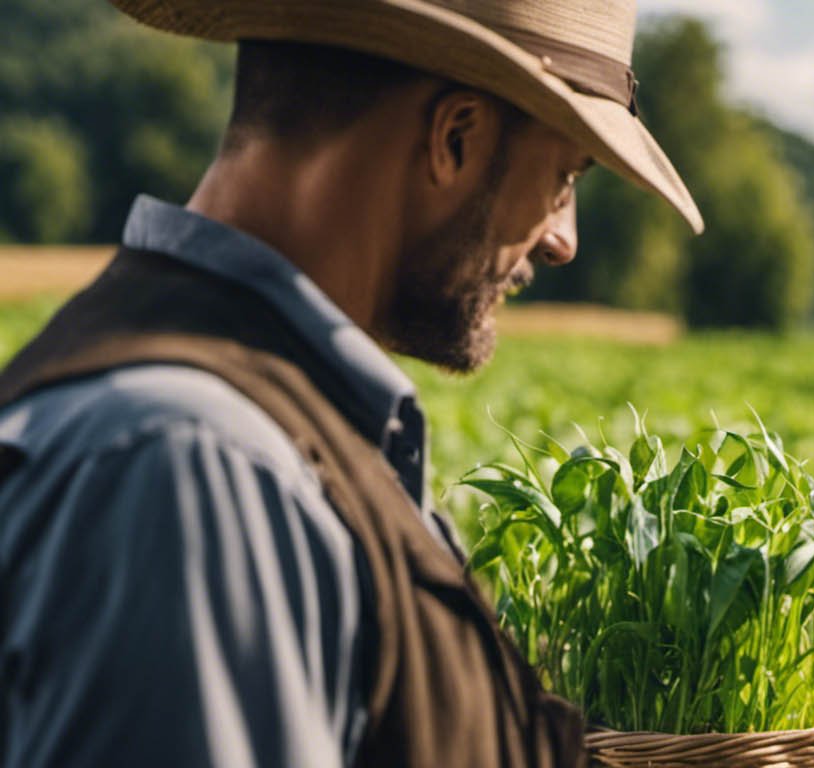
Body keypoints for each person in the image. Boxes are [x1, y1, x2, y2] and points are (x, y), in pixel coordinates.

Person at [0, 1, 701, 766]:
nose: (562, 239)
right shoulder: (198, 468)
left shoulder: (264, 432)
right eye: (565, 174)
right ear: (454, 137)